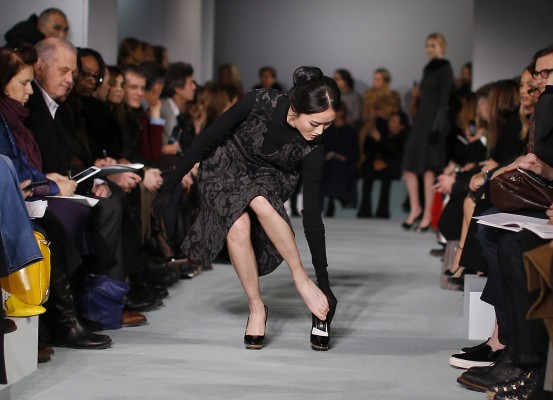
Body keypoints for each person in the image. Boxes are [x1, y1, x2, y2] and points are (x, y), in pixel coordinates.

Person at [155, 66, 338, 351]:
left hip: (269, 178)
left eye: (327, 125)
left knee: (258, 197)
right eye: (315, 123)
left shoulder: (313, 147)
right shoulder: (258, 102)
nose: (320, 132)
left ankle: (302, 278)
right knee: (237, 225)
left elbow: (312, 215)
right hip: (225, 169)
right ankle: (257, 308)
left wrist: (323, 282)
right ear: (296, 109)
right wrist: (171, 184)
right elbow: (208, 138)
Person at [402, 32, 453, 232]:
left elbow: (444, 102)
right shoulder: (427, 68)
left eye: (433, 45)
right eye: (427, 45)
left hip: (435, 123)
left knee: (429, 168)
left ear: (443, 46)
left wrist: (436, 127)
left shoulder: (446, 68)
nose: (429, 49)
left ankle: (427, 216)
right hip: (421, 122)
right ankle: (415, 209)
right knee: (409, 165)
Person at [4, 8, 69, 48]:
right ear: (41, 26)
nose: (62, 35)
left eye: (65, 30)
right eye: (57, 28)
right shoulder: (21, 48)